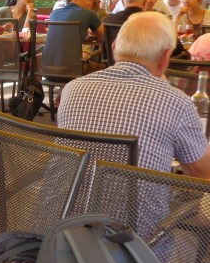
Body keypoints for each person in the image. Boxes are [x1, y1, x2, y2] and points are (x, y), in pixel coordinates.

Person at [57, 12, 210, 177]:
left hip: (62, 201)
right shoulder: (176, 102)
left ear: (115, 46)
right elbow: (201, 174)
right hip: (134, 203)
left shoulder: (71, 89)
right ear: (166, 57)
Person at [45, 0, 104, 74]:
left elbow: (62, 36)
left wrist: (82, 37)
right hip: (73, 70)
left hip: (46, 70)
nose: (90, 3)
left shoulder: (54, 13)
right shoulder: (89, 14)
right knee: (105, 68)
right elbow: (104, 37)